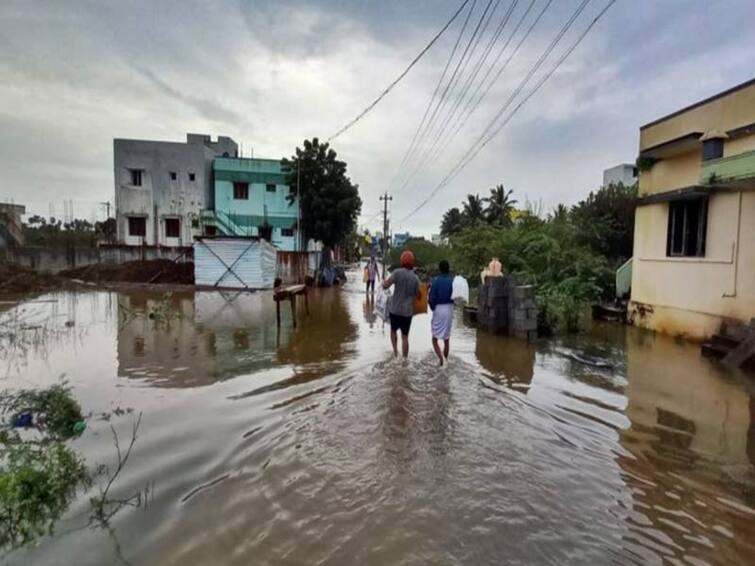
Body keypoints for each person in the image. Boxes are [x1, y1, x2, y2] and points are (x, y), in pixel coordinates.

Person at [382, 250, 420, 358]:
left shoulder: (397, 273)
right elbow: (417, 295)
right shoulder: (415, 278)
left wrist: (383, 283)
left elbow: (386, 286)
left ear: (402, 260)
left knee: (393, 331)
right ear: (412, 262)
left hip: (395, 310)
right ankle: (404, 359)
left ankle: (395, 353)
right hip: (407, 312)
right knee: (405, 337)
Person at [429, 259, 454, 366]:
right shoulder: (453, 281)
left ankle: (441, 359)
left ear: (439, 269)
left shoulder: (435, 281)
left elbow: (431, 298)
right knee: (446, 339)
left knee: (434, 339)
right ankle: (445, 360)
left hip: (439, 309)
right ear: (448, 269)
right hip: (449, 309)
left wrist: (433, 308)